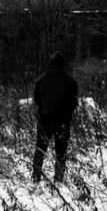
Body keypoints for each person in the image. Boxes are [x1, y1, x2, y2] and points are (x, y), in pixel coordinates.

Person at [32, 52, 78, 184]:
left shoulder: (41, 81)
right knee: (61, 152)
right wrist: (66, 114)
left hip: (45, 121)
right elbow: (74, 102)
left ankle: (36, 177)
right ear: (63, 64)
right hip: (62, 121)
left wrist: (45, 110)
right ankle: (59, 179)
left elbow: (37, 100)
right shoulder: (71, 82)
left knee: (40, 149)